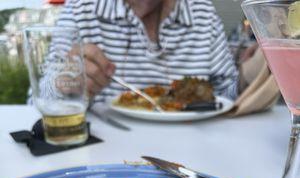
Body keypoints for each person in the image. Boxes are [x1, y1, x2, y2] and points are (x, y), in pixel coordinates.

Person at [56, 0, 238, 103]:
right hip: (104, 155)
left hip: (192, 149)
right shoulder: (81, 8)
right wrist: (66, 84)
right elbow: (38, 100)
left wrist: (257, 74)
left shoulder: (202, 12)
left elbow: (228, 95)